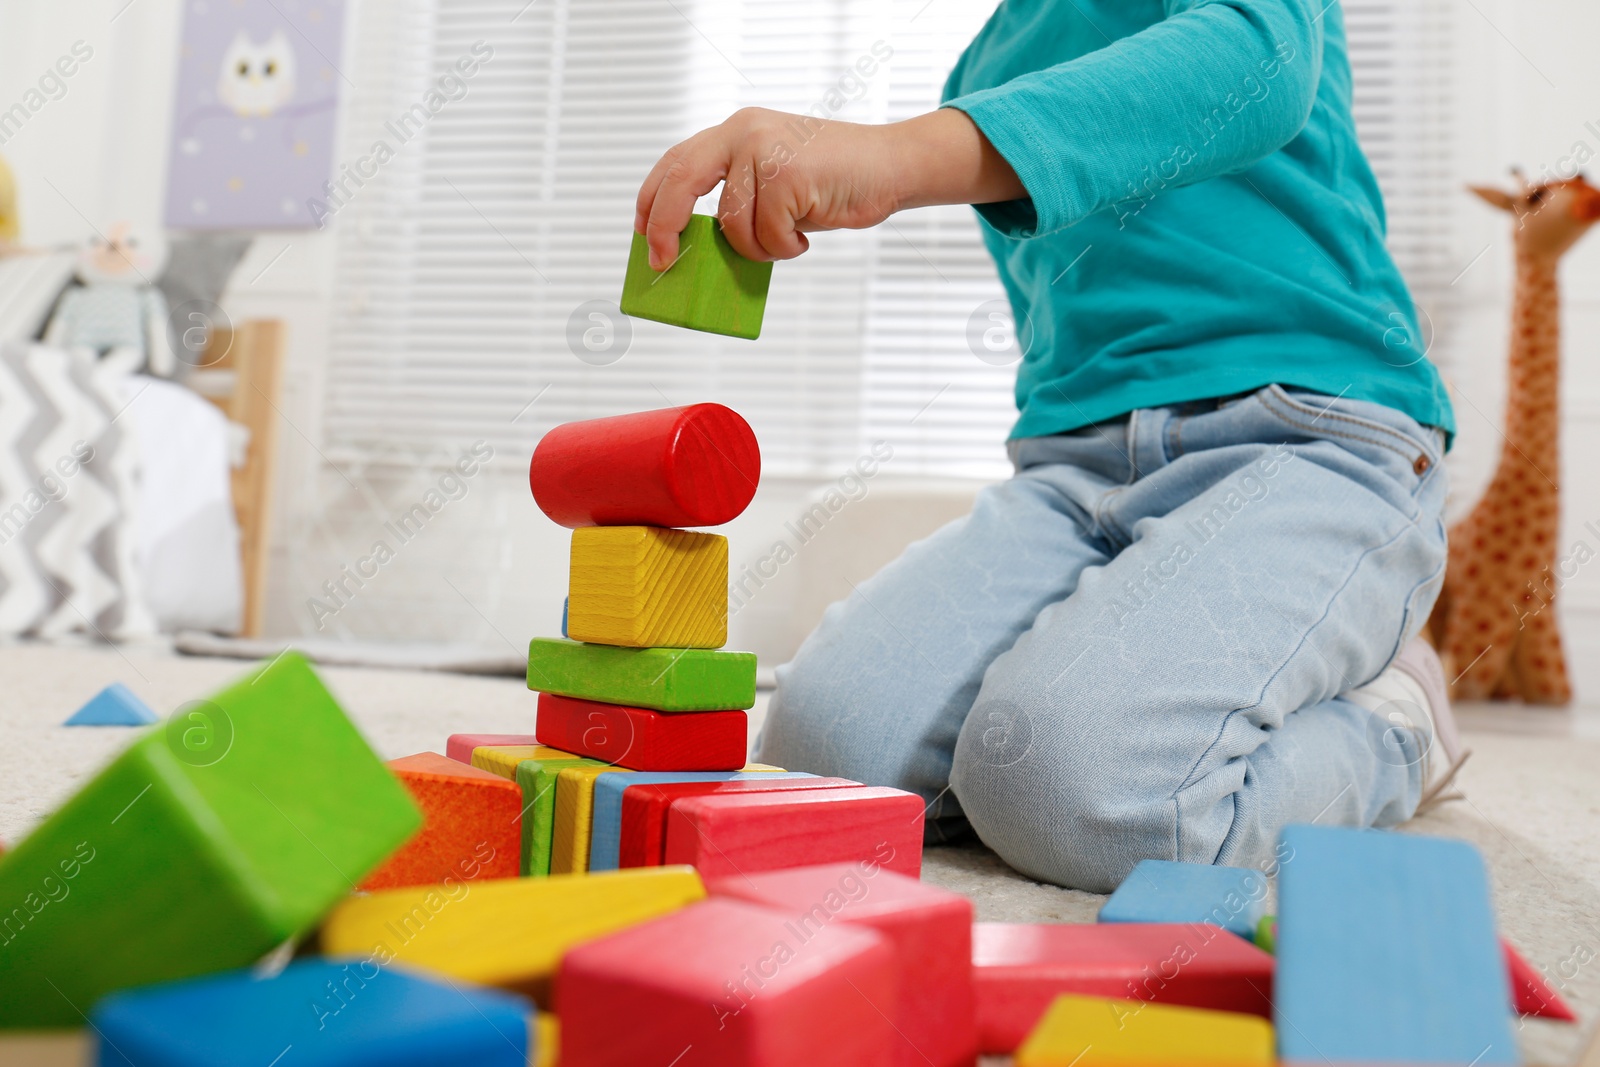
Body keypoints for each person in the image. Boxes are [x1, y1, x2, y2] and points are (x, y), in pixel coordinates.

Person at [633, 0, 1464, 892]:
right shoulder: (988, 63)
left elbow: (1257, 60)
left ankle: (1395, 726)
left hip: (1311, 433)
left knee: (1088, 796)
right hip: (1076, 471)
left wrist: (890, 155)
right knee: (828, 756)